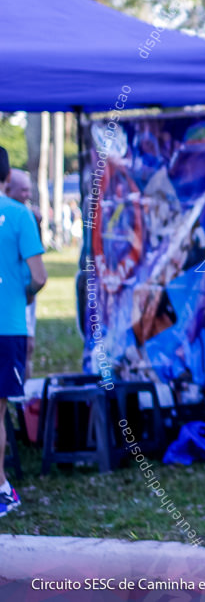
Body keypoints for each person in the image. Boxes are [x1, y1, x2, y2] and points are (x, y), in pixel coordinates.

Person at [0, 147, 47, 518]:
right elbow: (40, 277)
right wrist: (23, 294)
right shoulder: (19, 216)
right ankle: (1, 487)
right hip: (7, 324)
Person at [5, 170, 39, 380]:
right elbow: (39, 275)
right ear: (8, 185)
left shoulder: (26, 215)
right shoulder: (20, 216)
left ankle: (22, 402)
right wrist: (30, 291)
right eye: (24, 189)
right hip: (13, 308)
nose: (28, 194)